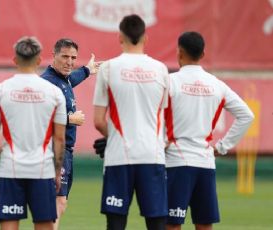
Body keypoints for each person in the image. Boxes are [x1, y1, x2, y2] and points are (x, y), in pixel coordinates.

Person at [164, 31, 254, 230]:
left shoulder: (170, 82)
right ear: (203, 54)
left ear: (179, 53)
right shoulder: (217, 84)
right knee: (204, 224)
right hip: (205, 162)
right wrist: (222, 147)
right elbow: (247, 115)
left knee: (171, 223)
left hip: (176, 161)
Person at [93, 14, 169, 230]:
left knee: (116, 223)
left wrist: (114, 136)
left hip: (119, 156)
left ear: (120, 37)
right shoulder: (161, 69)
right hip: (152, 155)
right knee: (156, 223)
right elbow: (161, 115)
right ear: (145, 38)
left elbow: (99, 121)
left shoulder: (108, 68)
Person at [0, 36, 66, 230]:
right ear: (39, 60)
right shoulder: (54, 93)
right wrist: (57, 172)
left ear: (15, 59)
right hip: (43, 169)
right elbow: (59, 138)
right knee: (45, 224)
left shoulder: (0, 91)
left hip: (10, 169)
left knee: (9, 225)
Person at [41, 38, 101, 229]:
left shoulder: (63, 79)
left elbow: (72, 78)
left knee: (59, 202)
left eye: (73, 57)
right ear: (54, 56)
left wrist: (87, 70)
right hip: (54, 149)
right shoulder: (47, 83)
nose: (69, 61)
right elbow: (39, 117)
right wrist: (69, 119)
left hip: (65, 150)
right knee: (58, 201)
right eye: (65, 56)